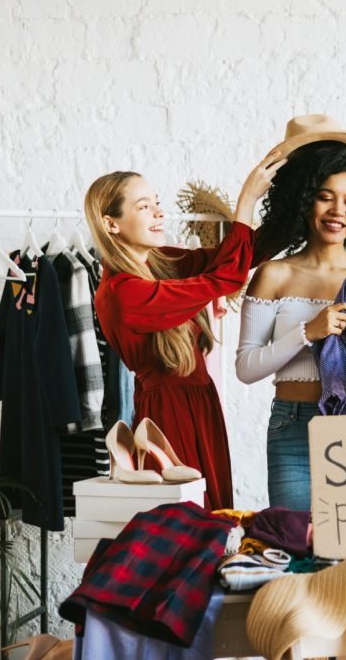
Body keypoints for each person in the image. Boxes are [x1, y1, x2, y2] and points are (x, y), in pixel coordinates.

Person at [85, 150, 286, 510]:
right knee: (191, 518)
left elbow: (241, 255)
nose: (159, 212)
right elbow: (225, 278)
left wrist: (297, 199)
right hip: (168, 415)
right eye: (144, 206)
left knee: (213, 514)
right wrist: (247, 201)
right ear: (111, 223)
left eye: (157, 203)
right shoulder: (121, 293)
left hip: (200, 401)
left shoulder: (164, 264)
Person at [236, 116, 346, 512]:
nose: (337, 210)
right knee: (295, 544)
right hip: (291, 426)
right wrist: (308, 332)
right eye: (325, 196)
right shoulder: (275, 274)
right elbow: (246, 368)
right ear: (305, 199)